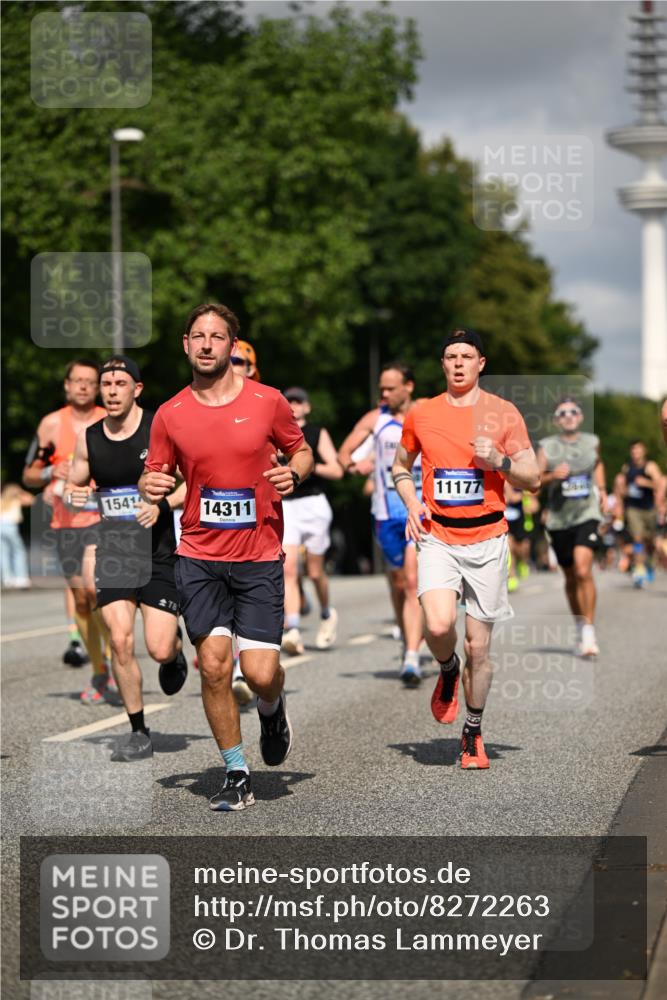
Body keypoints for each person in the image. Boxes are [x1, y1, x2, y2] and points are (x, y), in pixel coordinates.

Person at [139, 303, 313, 811]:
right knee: (214, 666)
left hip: (257, 555)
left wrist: (294, 474)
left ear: (232, 346)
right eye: (199, 335)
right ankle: (236, 771)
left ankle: (273, 706)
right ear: (186, 345)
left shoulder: (268, 401)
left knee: (258, 672)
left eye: (218, 336)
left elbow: (299, 450)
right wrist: (150, 485)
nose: (208, 344)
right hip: (198, 555)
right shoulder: (169, 413)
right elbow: (157, 476)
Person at [392, 328, 539, 770]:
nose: (458, 363)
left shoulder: (503, 412)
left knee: (480, 647)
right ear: (443, 365)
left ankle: (473, 732)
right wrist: (413, 503)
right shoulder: (422, 413)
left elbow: (532, 476)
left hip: (488, 538)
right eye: (451, 356)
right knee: (437, 626)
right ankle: (447, 669)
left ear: (481, 364)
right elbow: (401, 466)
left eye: (466, 356)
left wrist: (500, 462)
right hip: (438, 535)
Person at [67, 355, 188, 762]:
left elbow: (195, 481)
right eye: (107, 384)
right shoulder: (90, 437)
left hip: (156, 553)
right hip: (115, 554)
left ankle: (174, 649)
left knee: (156, 649)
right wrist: (74, 494)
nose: (112, 390)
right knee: (120, 640)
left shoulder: (160, 428)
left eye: (121, 383)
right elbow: (73, 484)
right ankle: (138, 731)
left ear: (137, 389)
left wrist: (164, 505)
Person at [22, 359, 114, 699]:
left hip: (101, 520)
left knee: (94, 590)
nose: (84, 387)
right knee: (79, 599)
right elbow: (29, 474)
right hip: (64, 522)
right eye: (78, 381)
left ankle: (116, 658)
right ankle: (99, 672)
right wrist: (49, 475)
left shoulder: (109, 420)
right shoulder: (50, 425)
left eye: (91, 382)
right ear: (67, 385)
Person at [339, 363, 425, 685]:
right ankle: (408, 636)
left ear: (409, 386)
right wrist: (354, 464)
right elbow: (344, 452)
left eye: (391, 388)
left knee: (413, 580)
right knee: (399, 582)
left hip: (420, 510)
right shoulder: (375, 420)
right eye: (382, 388)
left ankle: (412, 658)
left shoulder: (426, 413)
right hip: (386, 513)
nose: (385, 394)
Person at [536, 397, 607, 657]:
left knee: (582, 568)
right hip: (558, 518)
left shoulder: (592, 442)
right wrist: (552, 476)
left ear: (580, 417)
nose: (568, 416)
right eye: (562, 413)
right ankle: (579, 623)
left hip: (586, 513)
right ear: (556, 419)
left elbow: (598, 464)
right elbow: (534, 479)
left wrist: (602, 490)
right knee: (569, 577)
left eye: (573, 412)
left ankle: (589, 630)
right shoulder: (547, 447)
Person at [280, 386, 342, 654]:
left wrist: (307, 464)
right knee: (289, 568)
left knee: (315, 572)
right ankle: (292, 628)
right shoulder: (276, 431)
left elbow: (337, 469)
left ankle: (327, 613)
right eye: (288, 401)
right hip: (286, 504)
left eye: (298, 402)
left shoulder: (317, 433)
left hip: (314, 504)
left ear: (307, 407)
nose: (293, 406)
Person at [616, 440, 662, 587]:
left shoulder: (650, 466)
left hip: (649, 508)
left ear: (644, 451)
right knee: (637, 539)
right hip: (633, 508)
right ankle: (639, 571)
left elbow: (661, 484)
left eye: (638, 450)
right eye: (633, 450)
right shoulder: (627, 467)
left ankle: (648, 564)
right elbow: (621, 487)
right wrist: (621, 498)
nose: (635, 453)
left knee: (649, 541)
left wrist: (646, 483)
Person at [0, 484, 34, 588]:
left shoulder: (2, 500)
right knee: (19, 552)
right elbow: (32, 500)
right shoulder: (16, 500)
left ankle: (7, 578)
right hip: (11, 527)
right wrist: (22, 492)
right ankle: (21, 577)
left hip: (1, 526)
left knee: (3, 553)